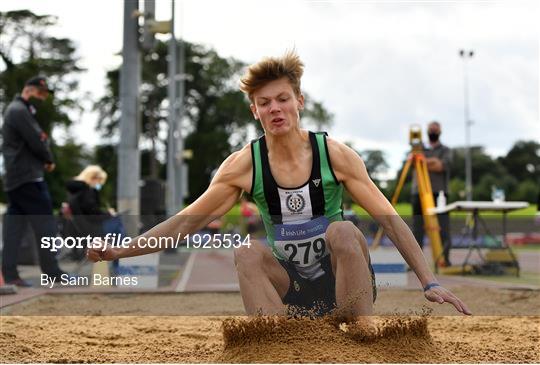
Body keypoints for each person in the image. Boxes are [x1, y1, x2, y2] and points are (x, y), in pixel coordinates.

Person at [88, 52, 470, 318]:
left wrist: (428, 281)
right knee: (246, 252)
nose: (275, 109)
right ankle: (274, 338)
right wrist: (119, 251)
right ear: (254, 110)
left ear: (299, 101)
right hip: (293, 290)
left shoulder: (335, 154)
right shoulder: (242, 166)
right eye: (264, 102)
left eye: (282, 99)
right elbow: (186, 222)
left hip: (346, 284)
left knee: (343, 230)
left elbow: (389, 218)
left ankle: (361, 329)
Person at [1, 76, 67, 286]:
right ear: (29, 90)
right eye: (41, 93)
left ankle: (10, 274)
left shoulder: (15, 110)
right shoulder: (20, 111)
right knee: (45, 226)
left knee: (14, 228)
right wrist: (48, 159)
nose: (42, 98)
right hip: (29, 177)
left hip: (15, 178)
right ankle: (53, 274)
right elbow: (36, 140)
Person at [411, 121, 453, 266]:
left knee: (443, 227)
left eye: (435, 130)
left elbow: (441, 166)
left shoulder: (446, 150)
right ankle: (416, 263)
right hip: (418, 193)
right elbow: (413, 162)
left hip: (439, 193)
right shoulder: (419, 148)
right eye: (431, 129)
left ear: (440, 132)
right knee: (417, 229)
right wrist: (432, 161)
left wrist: (422, 161)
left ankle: (444, 260)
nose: (433, 132)